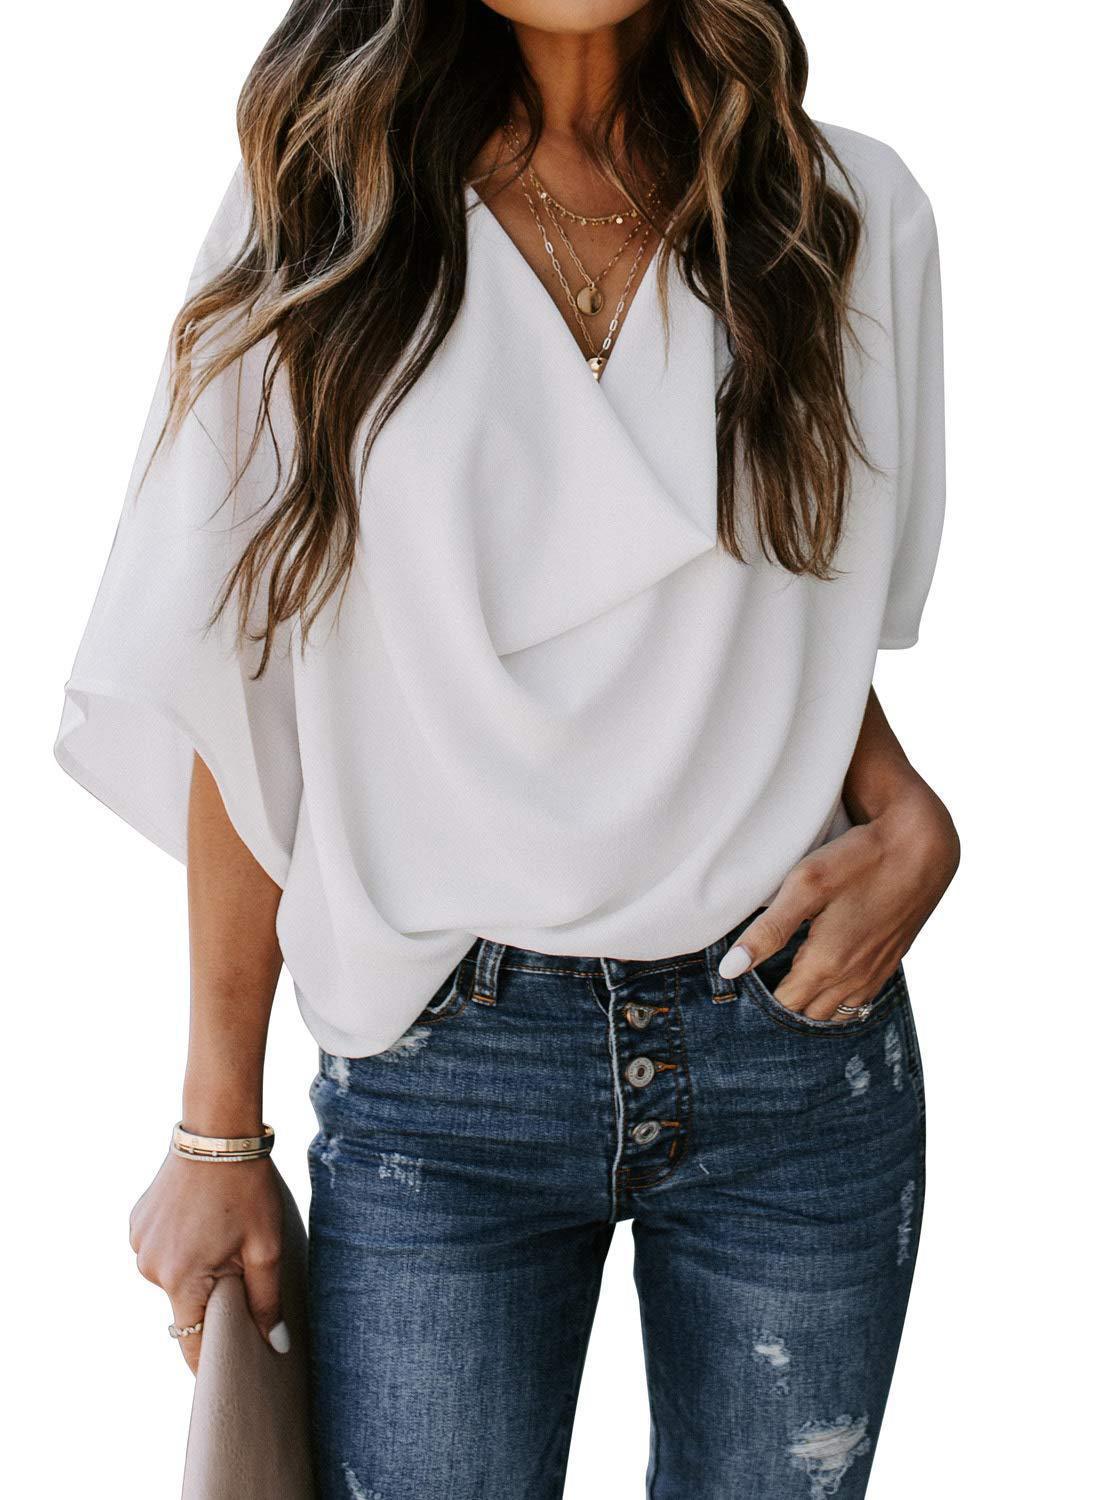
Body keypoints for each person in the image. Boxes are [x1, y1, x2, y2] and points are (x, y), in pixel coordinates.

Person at [54, 2, 960, 1496]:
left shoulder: (845, 215)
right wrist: (216, 1129)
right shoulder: (329, 205)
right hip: (443, 1060)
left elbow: (784, 613)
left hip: (791, 1040)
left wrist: (902, 804)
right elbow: (246, 677)